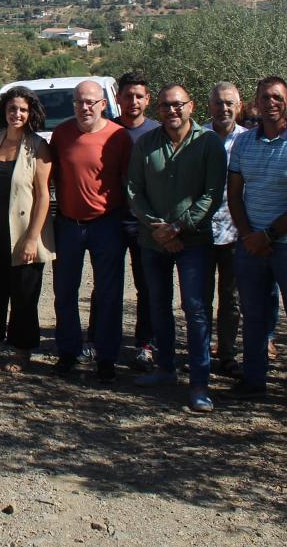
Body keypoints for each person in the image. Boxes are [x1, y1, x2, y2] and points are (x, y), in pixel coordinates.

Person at [225, 76, 287, 417]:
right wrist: (248, 235)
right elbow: (235, 194)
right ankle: (254, 381)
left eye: (277, 97)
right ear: (254, 103)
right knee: (254, 316)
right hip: (251, 244)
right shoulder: (243, 144)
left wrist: (267, 236)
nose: (271, 102)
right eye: (265, 97)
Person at [127, 85, 227, 412]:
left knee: (196, 310)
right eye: (166, 106)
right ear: (158, 110)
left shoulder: (209, 144)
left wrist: (179, 227)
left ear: (191, 106)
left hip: (194, 242)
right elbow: (133, 191)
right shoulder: (145, 144)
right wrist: (158, 227)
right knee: (158, 305)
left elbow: (212, 194)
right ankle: (165, 368)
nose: (172, 111)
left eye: (178, 105)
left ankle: (200, 382)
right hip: (153, 240)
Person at [50, 80, 133, 383]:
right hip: (69, 224)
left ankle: (107, 357)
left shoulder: (119, 136)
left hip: (106, 224)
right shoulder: (61, 134)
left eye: (90, 102)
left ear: (103, 104)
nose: (84, 107)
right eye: (79, 102)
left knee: (109, 294)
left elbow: (128, 180)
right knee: (64, 292)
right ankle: (68, 352)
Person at [0, 86, 54, 372]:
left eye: (23, 110)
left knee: (24, 295)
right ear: (4, 111)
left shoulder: (38, 146)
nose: (17, 114)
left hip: (25, 231)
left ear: (31, 113)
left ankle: (22, 351)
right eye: (12, 109)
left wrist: (33, 238)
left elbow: (43, 195)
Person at [114, 72, 160, 371]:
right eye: (128, 96)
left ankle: (146, 344)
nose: (133, 102)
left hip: (147, 222)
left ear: (148, 100)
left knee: (148, 285)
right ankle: (100, 340)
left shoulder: (158, 132)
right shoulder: (108, 130)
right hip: (113, 219)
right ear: (117, 98)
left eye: (139, 96)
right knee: (107, 284)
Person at [203, 82, 248, 378]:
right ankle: (202, 352)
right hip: (201, 232)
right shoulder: (198, 138)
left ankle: (228, 354)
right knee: (199, 298)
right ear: (210, 107)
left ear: (239, 106)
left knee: (232, 300)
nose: (224, 108)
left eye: (229, 103)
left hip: (237, 232)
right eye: (219, 103)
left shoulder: (249, 140)